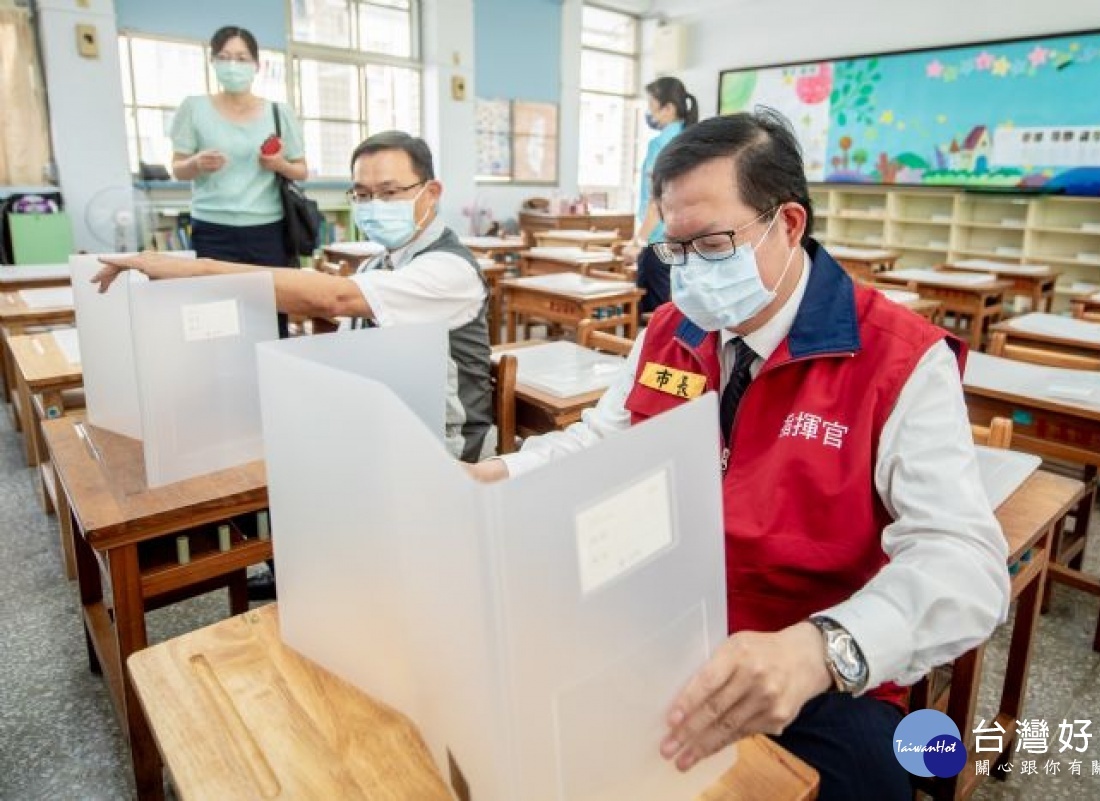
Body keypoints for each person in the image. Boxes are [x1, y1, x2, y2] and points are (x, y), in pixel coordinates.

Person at [471, 109, 1009, 800]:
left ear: (788, 224)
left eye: (713, 244)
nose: (691, 273)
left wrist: (821, 649)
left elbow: (965, 562)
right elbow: (607, 439)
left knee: (866, 776)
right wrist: (501, 472)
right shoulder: (672, 328)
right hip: (661, 623)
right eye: (675, 249)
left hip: (810, 667)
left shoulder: (897, 359)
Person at [97, 130, 494, 464]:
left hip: (438, 446)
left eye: (389, 192)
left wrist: (196, 270)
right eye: (363, 194)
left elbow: (332, 299)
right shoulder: (377, 265)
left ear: (432, 192)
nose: (375, 206)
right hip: (380, 422)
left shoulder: (449, 270)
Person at [170, 26, 308, 338]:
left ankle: (272, 375)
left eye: (242, 58)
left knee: (270, 316)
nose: (233, 65)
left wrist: (278, 164)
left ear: (257, 65)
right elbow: (178, 169)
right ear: (213, 62)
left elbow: (301, 171)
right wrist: (196, 163)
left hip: (267, 230)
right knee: (213, 320)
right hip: (212, 230)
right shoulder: (194, 108)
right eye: (225, 57)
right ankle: (220, 381)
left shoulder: (278, 112)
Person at [621, 77, 698, 316]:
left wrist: (637, 242)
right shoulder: (693, 140)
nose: (649, 111)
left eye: (652, 104)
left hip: (658, 243)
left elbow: (658, 201)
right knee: (674, 311)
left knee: (653, 316)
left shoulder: (662, 144)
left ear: (669, 108)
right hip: (686, 243)